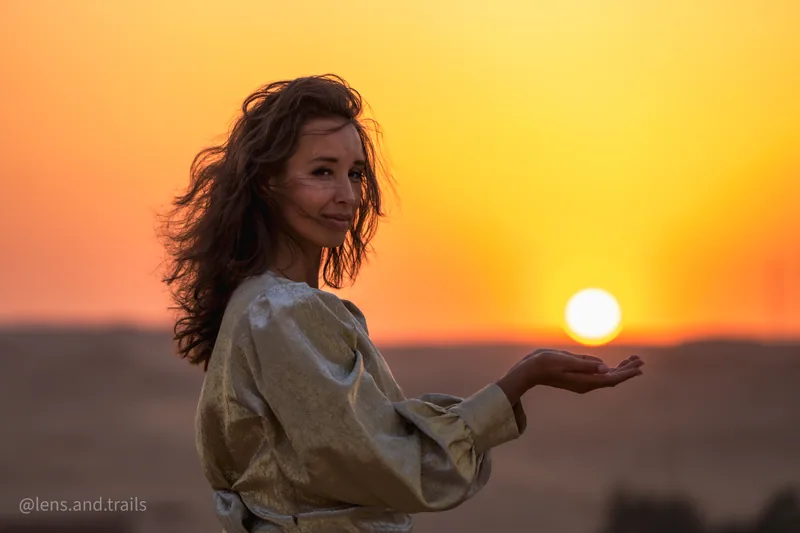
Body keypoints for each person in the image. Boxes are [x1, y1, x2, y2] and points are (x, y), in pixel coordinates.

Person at [160, 74, 645, 533]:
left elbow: (369, 438)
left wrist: (518, 384)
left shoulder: (256, 303)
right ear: (269, 183)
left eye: (354, 173)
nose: (347, 196)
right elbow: (391, 465)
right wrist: (522, 379)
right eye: (322, 172)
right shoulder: (284, 314)